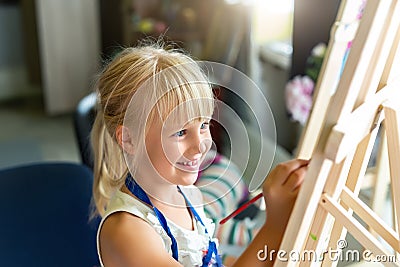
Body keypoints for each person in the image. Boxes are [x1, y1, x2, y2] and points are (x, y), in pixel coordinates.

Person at [90, 42, 309, 267]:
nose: (201, 146)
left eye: (203, 125)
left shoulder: (186, 193)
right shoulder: (128, 232)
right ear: (128, 139)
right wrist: (275, 225)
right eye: (181, 132)